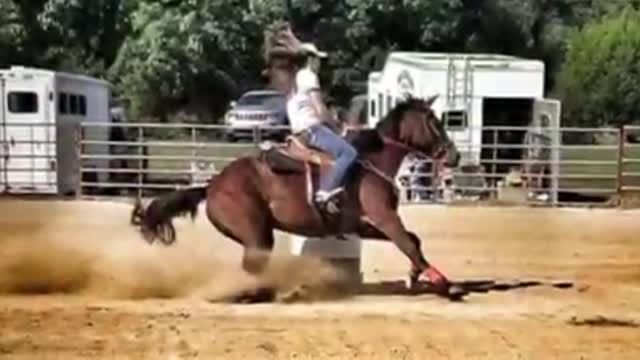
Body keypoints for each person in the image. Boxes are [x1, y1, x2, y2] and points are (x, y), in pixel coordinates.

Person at [269, 25, 358, 214]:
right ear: (310, 60)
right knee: (349, 153)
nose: (320, 63)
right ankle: (325, 192)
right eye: (318, 59)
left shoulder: (293, 79)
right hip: (313, 131)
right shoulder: (308, 76)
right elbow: (319, 109)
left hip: (300, 131)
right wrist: (338, 127)